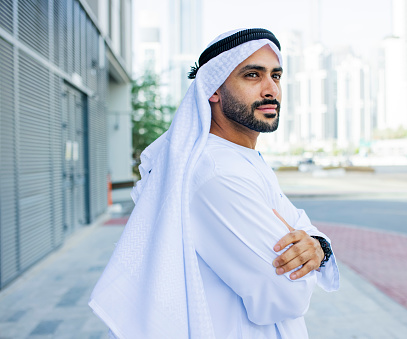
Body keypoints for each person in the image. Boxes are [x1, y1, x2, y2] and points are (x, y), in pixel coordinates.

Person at [90, 28, 339, 339]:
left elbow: (302, 227)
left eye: (276, 76)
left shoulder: (239, 158)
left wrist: (318, 246)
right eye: (252, 75)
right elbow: (284, 294)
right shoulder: (217, 172)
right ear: (213, 88)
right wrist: (304, 255)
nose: (270, 89)